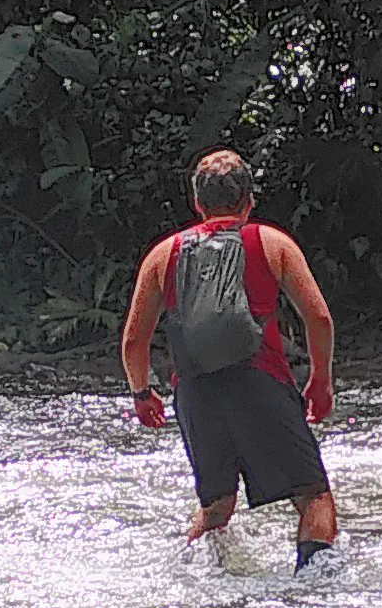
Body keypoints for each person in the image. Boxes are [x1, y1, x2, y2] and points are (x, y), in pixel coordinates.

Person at [120, 150, 342, 567]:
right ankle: (315, 591)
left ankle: (182, 576)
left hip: (195, 393)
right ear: (249, 199)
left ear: (197, 203)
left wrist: (141, 393)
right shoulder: (271, 243)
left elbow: (134, 340)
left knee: (217, 507)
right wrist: (320, 379)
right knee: (314, 499)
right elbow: (319, 318)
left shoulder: (163, 254)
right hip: (261, 383)